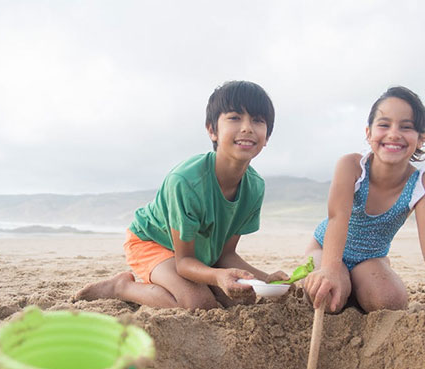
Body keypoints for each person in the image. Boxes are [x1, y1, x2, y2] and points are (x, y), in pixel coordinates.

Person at [75, 81, 287, 310]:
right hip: (152, 243)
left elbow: (225, 255)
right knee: (198, 303)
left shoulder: (254, 187)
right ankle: (121, 287)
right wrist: (217, 277)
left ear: (266, 137)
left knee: (235, 299)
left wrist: (266, 280)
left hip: (195, 254)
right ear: (212, 130)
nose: (247, 127)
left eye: (258, 120)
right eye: (235, 117)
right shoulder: (186, 182)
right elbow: (184, 262)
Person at [303, 86, 425, 315]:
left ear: (421, 139)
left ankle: (359, 281)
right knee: (327, 299)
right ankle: (342, 281)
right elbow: (338, 218)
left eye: (406, 127)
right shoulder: (351, 167)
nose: (394, 134)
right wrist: (329, 269)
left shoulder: (421, 186)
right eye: (384, 125)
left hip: (369, 259)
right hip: (326, 249)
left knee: (390, 301)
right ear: (369, 133)